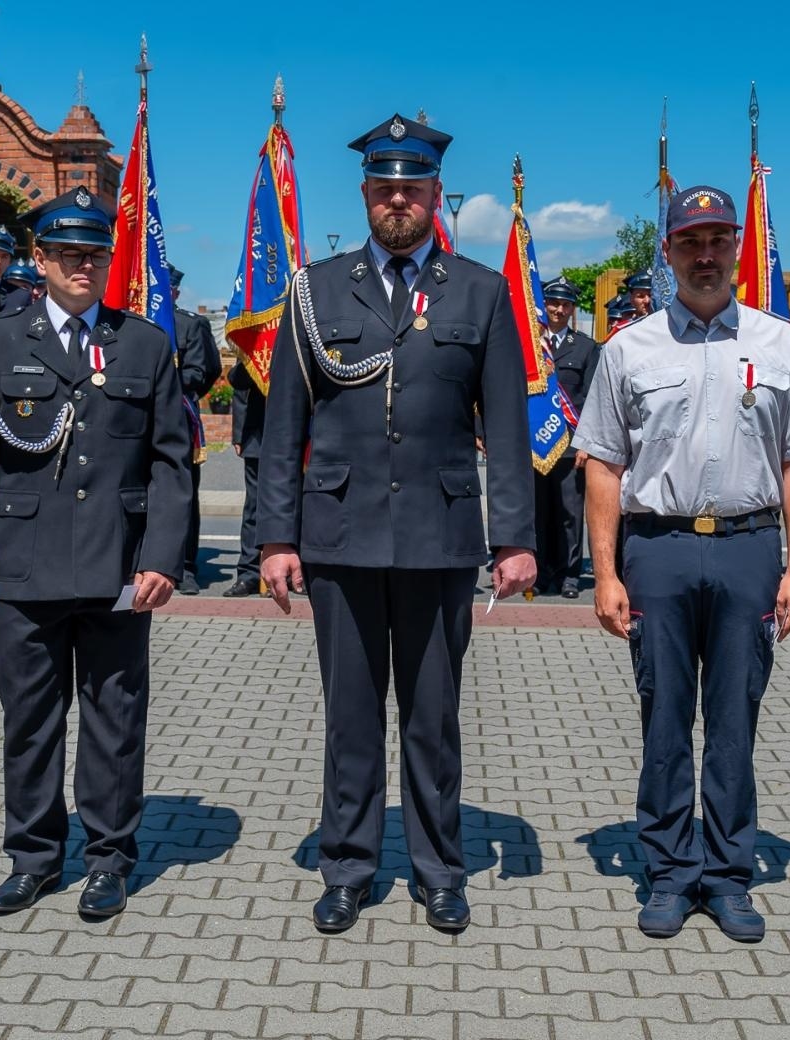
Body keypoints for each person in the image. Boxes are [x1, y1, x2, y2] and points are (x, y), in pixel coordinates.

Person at [256, 113, 537, 935]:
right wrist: (276, 538)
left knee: (432, 714)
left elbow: (510, 427)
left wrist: (515, 538)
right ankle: (347, 865)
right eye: (385, 188)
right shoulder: (315, 289)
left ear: (435, 195)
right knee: (350, 714)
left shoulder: (480, 291)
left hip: (440, 537)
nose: (399, 200)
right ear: (367, 194)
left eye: (412, 188)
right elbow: (282, 428)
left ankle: (439, 868)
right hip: (339, 537)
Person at [575, 185, 790, 942]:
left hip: (751, 548)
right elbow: (604, 467)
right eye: (691, 241)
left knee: (733, 722)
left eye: (719, 239)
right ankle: (670, 871)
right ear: (670, 252)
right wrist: (607, 573)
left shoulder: (781, 344)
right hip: (660, 551)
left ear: (737, 248)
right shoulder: (629, 350)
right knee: (664, 720)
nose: (707, 254)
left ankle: (727, 874)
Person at [0, 187, 192, 919]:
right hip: (21, 566)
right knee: (29, 719)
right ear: (40, 259)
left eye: (94, 254)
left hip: (119, 565)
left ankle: (110, 858)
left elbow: (173, 463)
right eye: (67, 254)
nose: (82, 266)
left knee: (115, 720)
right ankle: (33, 857)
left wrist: (162, 558)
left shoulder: (144, 345)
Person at [532, 277, 600, 597]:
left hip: (570, 448)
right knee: (539, 512)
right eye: (553, 303)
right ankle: (543, 571)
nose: (558, 309)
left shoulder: (585, 347)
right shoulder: (530, 346)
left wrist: (586, 443)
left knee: (570, 514)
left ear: (573, 309)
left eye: (565, 305)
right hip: (536, 446)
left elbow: (592, 399)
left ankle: (570, 574)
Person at [170, 267, 223, 595]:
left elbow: (206, 369)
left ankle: (186, 566)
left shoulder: (190, 324)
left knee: (183, 497)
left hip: (178, 422)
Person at [224, 356, 266, 597]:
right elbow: (238, 384)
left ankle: (294, 571)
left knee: (297, 506)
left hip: (295, 435)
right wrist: (239, 433)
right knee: (254, 509)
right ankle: (249, 573)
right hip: (258, 435)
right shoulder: (258, 333)